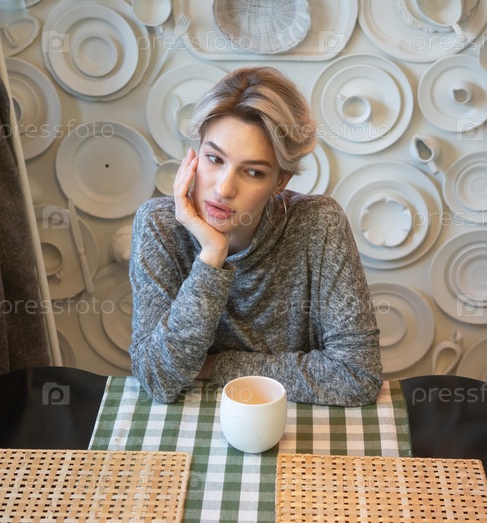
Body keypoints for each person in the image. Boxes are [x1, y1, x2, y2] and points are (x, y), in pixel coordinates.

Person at [129, 66, 382, 406]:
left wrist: (216, 365)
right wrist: (211, 257)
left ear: (281, 181)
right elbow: (158, 380)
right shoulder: (159, 226)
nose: (224, 188)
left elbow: (357, 376)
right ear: (194, 155)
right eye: (214, 158)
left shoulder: (319, 224)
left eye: (253, 172)